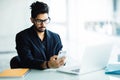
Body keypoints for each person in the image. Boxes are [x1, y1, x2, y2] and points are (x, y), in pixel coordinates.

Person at [10, 1, 65, 70]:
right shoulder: (22, 36)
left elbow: (60, 57)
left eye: (45, 20)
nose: (43, 25)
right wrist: (48, 64)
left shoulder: (55, 37)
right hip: (31, 75)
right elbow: (27, 61)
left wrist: (61, 60)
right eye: (39, 21)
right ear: (32, 20)